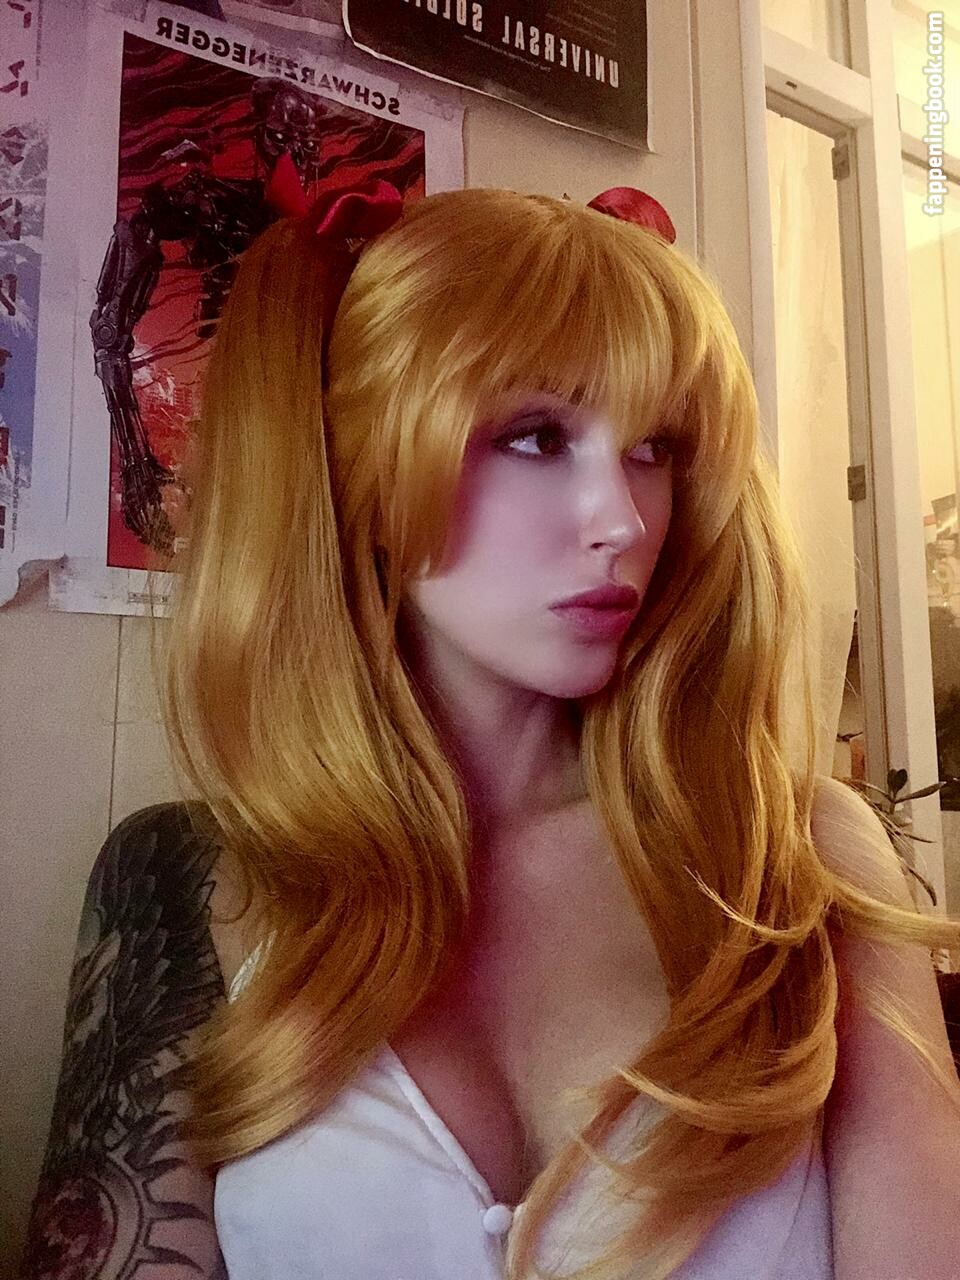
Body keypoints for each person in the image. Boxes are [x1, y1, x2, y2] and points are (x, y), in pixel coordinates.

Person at [22, 179, 960, 1280]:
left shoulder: (803, 857)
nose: (623, 520)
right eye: (535, 435)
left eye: (653, 446)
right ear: (366, 466)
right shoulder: (192, 878)